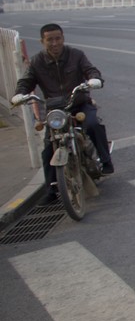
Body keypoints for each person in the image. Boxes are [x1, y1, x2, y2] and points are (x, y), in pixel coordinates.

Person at [13, 23, 114, 205]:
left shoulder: (76, 55)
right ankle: (51, 190)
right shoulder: (37, 62)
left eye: (57, 38)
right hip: (55, 111)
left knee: (92, 124)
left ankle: (106, 160)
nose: (54, 43)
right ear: (42, 41)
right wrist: (20, 94)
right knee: (47, 148)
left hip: (79, 104)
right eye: (49, 40)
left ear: (63, 38)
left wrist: (94, 79)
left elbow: (90, 70)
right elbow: (26, 81)